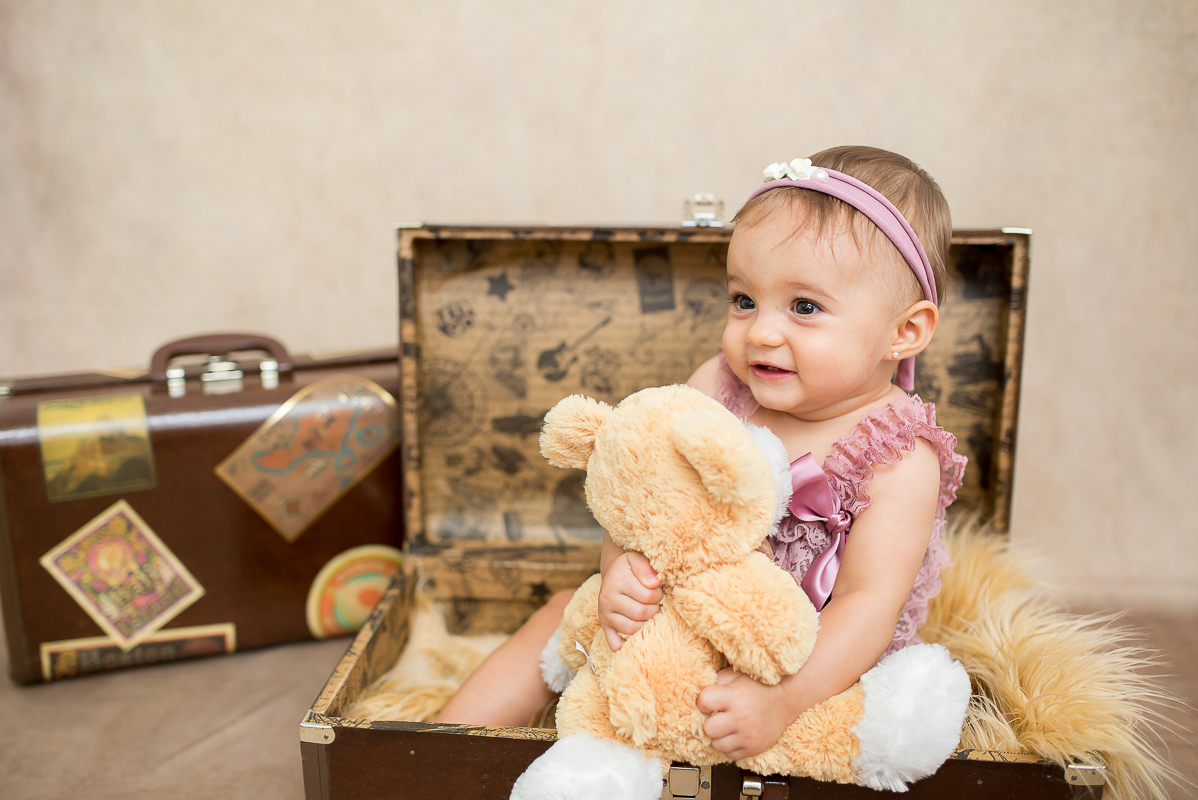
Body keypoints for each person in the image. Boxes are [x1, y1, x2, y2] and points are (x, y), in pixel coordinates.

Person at [436, 145, 967, 762]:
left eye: (804, 307)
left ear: (905, 333)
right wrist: (621, 569)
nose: (762, 331)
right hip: (681, 622)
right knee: (562, 614)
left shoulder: (899, 458)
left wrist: (784, 700)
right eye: (744, 300)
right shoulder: (719, 387)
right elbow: (643, 501)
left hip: (805, 660)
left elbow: (866, 605)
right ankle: (429, 755)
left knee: (863, 726)